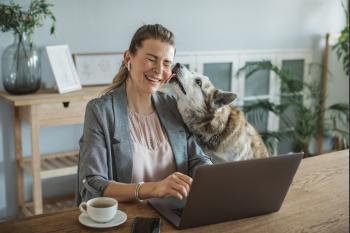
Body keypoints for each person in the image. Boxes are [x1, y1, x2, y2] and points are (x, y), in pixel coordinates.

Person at [76, 24, 212, 205]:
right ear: (128, 58)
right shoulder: (100, 111)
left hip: (175, 216)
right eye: (151, 59)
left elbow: (198, 159)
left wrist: (212, 177)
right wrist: (154, 188)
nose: (158, 70)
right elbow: (94, 182)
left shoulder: (173, 106)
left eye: (166, 63)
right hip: (126, 220)